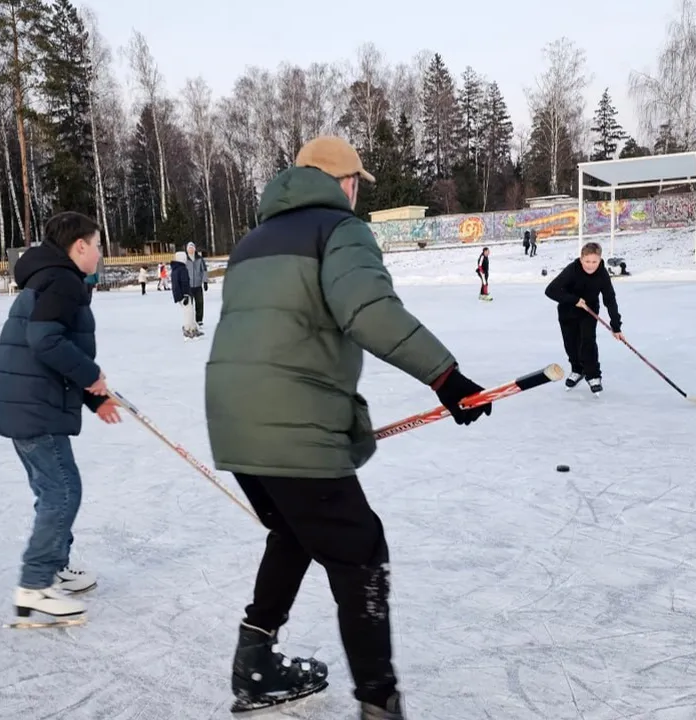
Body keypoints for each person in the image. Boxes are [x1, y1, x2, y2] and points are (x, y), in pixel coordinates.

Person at [204, 135, 492, 719]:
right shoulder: (339, 229)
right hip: (291, 422)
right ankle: (379, 704)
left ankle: (255, 662)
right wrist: (446, 377)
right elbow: (369, 310)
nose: (358, 194)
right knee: (359, 551)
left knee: (294, 533)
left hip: (234, 421)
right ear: (344, 183)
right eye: (357, 182)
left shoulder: (252, 241)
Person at [0, 211, 122, 625]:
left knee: (53, 490)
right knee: (63, 492)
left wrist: (92, 397)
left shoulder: (49, 277)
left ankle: (55, 565)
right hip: (33, 408)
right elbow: (45, 342)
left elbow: (48, 351)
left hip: (25, 401)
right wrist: (91, 376)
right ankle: (34, 586)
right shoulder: (62, 281)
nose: (100, 254)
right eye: (97, 245)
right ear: (79, 246)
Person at [544, 241, 624, 394]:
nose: (590, 265)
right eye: (587, 261)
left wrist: (616, 326)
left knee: (587, 342)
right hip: (567, 310)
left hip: (589, 311)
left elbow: (610, 298)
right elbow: (550, 290)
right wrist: (574, 300)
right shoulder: (572, 270)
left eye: (594, 261)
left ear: (600, 260)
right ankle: (577, 370)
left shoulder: (602, 274)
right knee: (571, 344)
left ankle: (593, 375)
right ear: (581, 259)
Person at [170, 250, 200, 338]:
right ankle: (187, 329)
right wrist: (186, 295)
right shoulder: (182, 269)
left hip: (179, 294)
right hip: (184, 294)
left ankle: (193, 328)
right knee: (188, 311)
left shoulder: (175, 269)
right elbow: (184, 282)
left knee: (191, 310)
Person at [185, 242, 209, 326]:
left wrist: (205, 281)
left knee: (199, 303)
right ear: (187, 250)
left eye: (192, 248)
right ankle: (191, 320)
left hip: (198, 285)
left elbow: (204, 270)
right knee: (189, 305)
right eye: (189, 248)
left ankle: (199, 320)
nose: (191, 250)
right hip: (189, 286)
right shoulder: (185, 259)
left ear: (194, 249)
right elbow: (183, 272)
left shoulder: (199, 259)